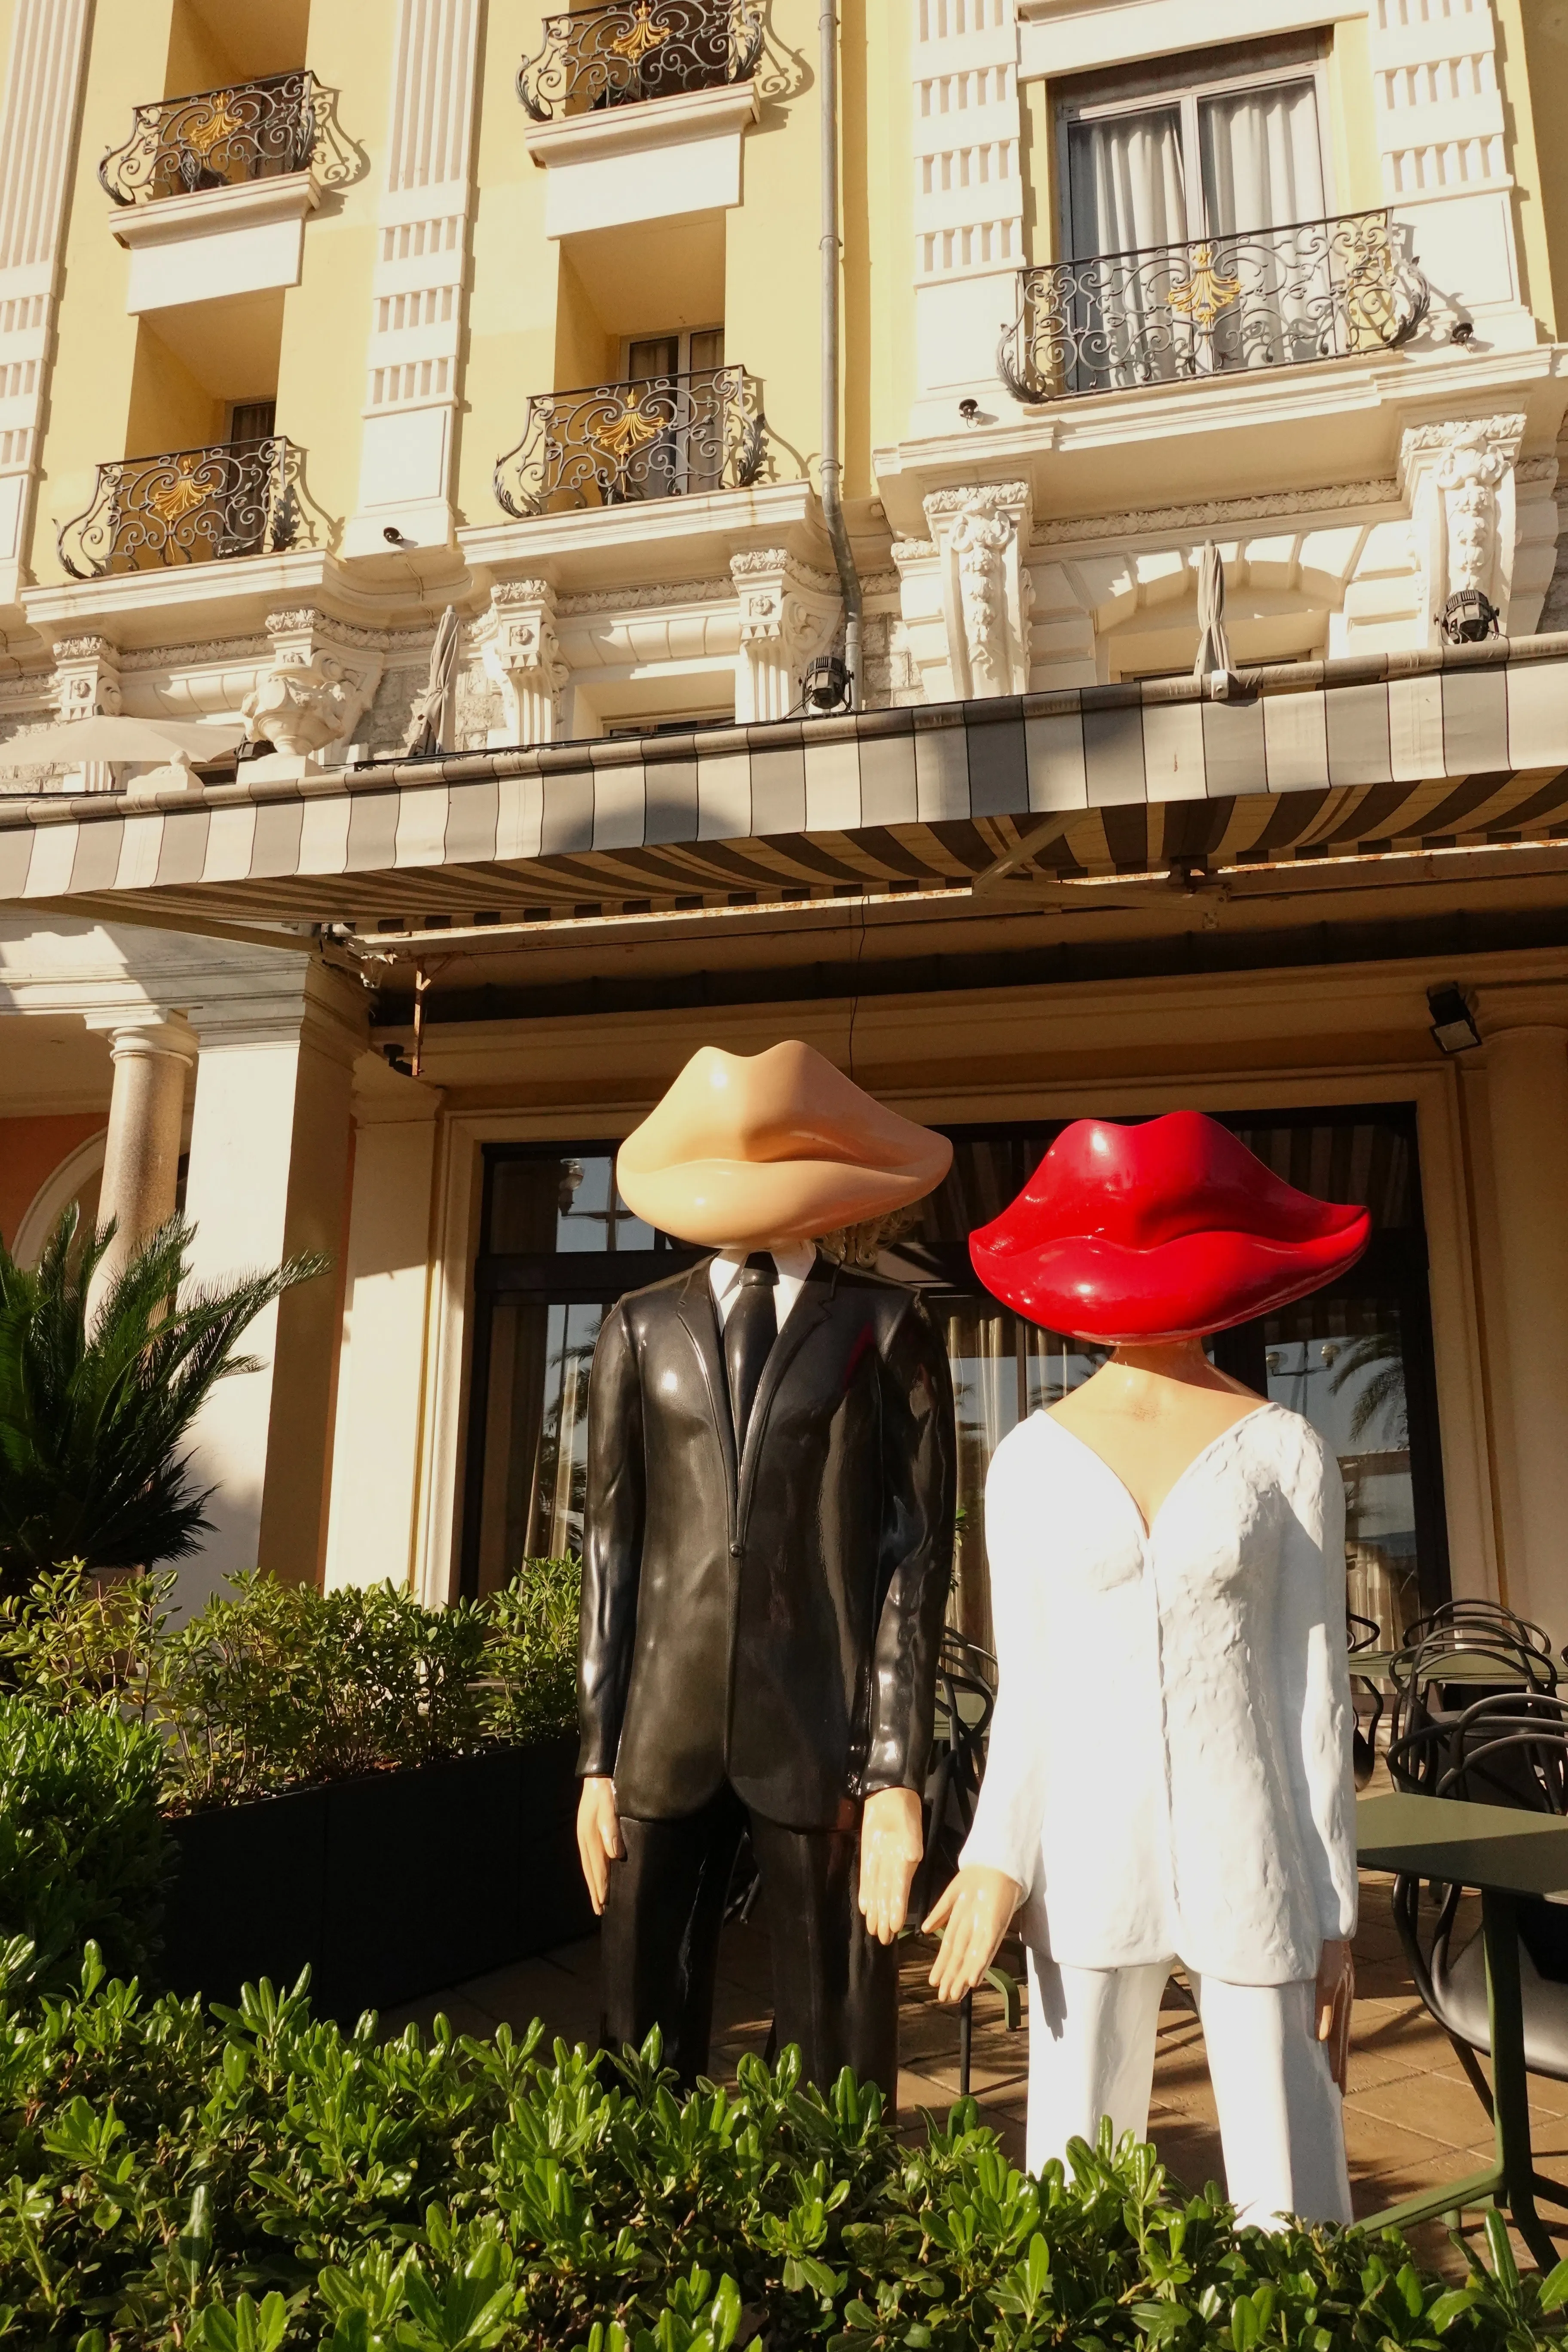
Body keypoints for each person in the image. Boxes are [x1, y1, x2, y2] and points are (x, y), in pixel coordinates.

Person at [925, 1110, 1368, 2229]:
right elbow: (1029, 1688)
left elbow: (1317, 1694)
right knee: (1076, 2187)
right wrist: (995, 1858)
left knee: (1294, 2184)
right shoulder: (1029, 1460)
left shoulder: (1285, 1452)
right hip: (1085, 1855)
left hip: (1254, 1851)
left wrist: (1336, 1910)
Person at [575, 1039, 956, 2095]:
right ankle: (633, 2236)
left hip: (821, 1729)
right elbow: (610, 1547)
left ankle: (824, 2237)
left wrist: (893, 1773)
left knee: (832, 2037)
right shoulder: (639, 1327)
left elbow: (915, 1562)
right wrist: (597, 1753)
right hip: (663, 1729)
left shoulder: (887, 1327)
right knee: (636, 2038)